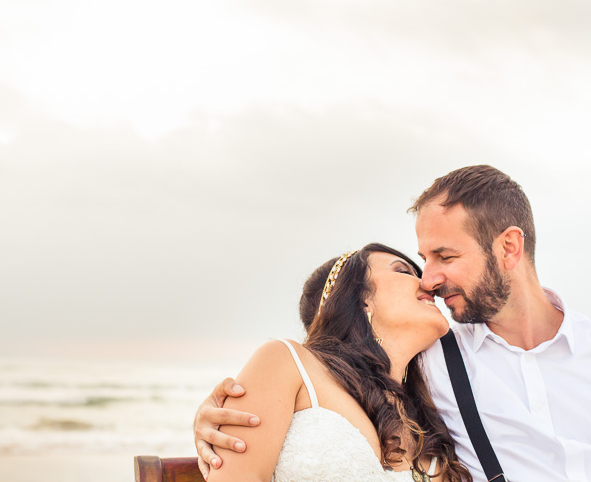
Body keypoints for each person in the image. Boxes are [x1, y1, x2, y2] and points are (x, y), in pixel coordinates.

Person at [194, 166, 591, 481]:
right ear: (360, 297)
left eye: (445, 257)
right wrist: (216, 417)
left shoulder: (417, 389)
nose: (429, 280)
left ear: (509, 247)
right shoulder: (435, 362)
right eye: (416, 263)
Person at [205, 242, 471, 482]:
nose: (428, 283)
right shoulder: (287, 362)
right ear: (362, 298)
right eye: (403, 271)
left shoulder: (435, 405)